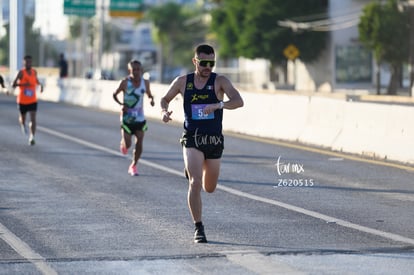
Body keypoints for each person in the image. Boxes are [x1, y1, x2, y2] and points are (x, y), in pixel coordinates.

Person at [160, 44, 244, 243]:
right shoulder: (183, 82)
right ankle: (198, 227)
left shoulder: (220, 81)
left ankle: (193, 169)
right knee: (195, 183)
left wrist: (218, 104)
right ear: (195, 61)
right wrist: (164, 112)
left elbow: (239, 101)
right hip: (192, 138)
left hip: (213, 140)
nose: (208, 67)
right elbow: (165, 99)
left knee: (210, 187)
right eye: (203, 63)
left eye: (211, 63)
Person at [113, 59, 155, 176]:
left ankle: (134, 165)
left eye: (138, 69)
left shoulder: (145, 83)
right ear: (129, 70)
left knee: (140, 141)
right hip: (127, 118)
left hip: (140, 118)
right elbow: (114, 94)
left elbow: (150, 95)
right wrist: (122, 105)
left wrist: (151, 100)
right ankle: (123, 143)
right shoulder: (125, 83)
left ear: (141, 70)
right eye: (134, 69)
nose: (136, 72)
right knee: (128, 144)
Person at [12, 55, 44, 145]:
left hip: (32, 100)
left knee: (33, 118)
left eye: (30, 62)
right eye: (27, 62)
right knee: (23, 118)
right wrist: (22, 85)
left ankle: (32, 137)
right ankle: (22, 124)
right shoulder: (21, 73)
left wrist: (41, 86)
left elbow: (36, 81)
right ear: (24, 63)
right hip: (22, 100)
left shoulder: (34, 72)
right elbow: (13, 84)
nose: (28, 64)